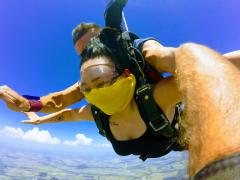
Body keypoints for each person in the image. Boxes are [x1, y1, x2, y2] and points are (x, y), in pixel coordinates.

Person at [21, 30, 240, 179]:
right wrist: (37, 115)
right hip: (162, 140)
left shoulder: (156, 97)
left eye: (100, 81)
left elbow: (211, 68)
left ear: (126, 75)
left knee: (168, 57)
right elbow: (67, 113)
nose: (95, 93)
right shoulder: (98, 114)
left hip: (181, 136)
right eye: (86, 89)